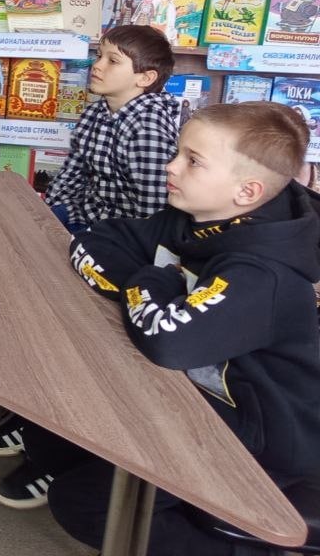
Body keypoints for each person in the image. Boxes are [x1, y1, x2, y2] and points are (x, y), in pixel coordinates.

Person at [43, 102, 320, 552]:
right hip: (198, 400)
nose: (171, 166)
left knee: (82, 504)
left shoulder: (263, 276)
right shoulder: (193, 217)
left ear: (247, 192)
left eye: (193, 161)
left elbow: (168, 341)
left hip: (263, 438)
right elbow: (94, 242)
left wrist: (149, 282)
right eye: (178, 152)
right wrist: (153, 288)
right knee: (52, 438)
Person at [0, 24, 179, 506]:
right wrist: (47, 222)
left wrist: (86, 245)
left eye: (113, 60)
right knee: (15, 289)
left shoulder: (148, 127)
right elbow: (72, 175)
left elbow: (152, 217)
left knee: (72, 343)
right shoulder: (97, 110)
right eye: (99, 55)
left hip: (124, 251)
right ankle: (35, 419)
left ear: (145, 78)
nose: (97, 65)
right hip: (86, 230)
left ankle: (57, 452)